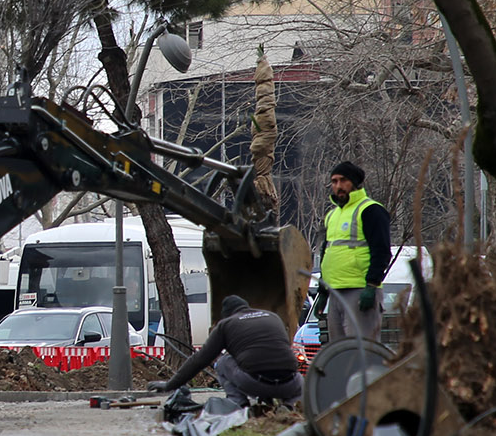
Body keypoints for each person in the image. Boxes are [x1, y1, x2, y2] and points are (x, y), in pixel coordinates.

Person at [151, 294, 303, 405]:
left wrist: (169, 385)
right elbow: (272, 353)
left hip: (256, 384)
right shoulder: (272, 317)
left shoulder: (226, 324)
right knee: (282, 364)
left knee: (223, 361)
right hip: (291, 384)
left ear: (227, 314)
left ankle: (237, 403)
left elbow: (200, 360)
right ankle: (291, 404)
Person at [316, 160, 390, 345]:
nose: (338, 186)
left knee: (362, 350)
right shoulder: (332, 215)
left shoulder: (371, 210)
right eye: (334, 181)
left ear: (355, 183)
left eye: (343, 181)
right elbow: (327, 252)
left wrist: (372, 286)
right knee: (339, 354)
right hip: (336, 293)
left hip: (360, 291)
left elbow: (381, 251)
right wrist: (323, 291)